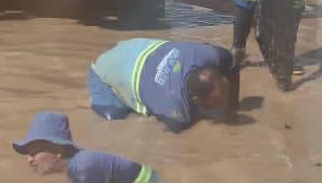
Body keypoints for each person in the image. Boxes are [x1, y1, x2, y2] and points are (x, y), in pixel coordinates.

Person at [88, 39, 234, 131]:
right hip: (102, 68)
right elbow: (177, 126)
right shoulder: (177, 112)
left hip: (132, 48)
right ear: (195, 99)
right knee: (114, 116)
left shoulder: (206, 54)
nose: (226, 101)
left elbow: (229, 59)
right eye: (220, 99)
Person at [12, 111, 157, 183]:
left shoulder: (84, 168)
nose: (29, 159)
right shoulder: (77, 165)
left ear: (58, 151)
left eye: (34, 152)